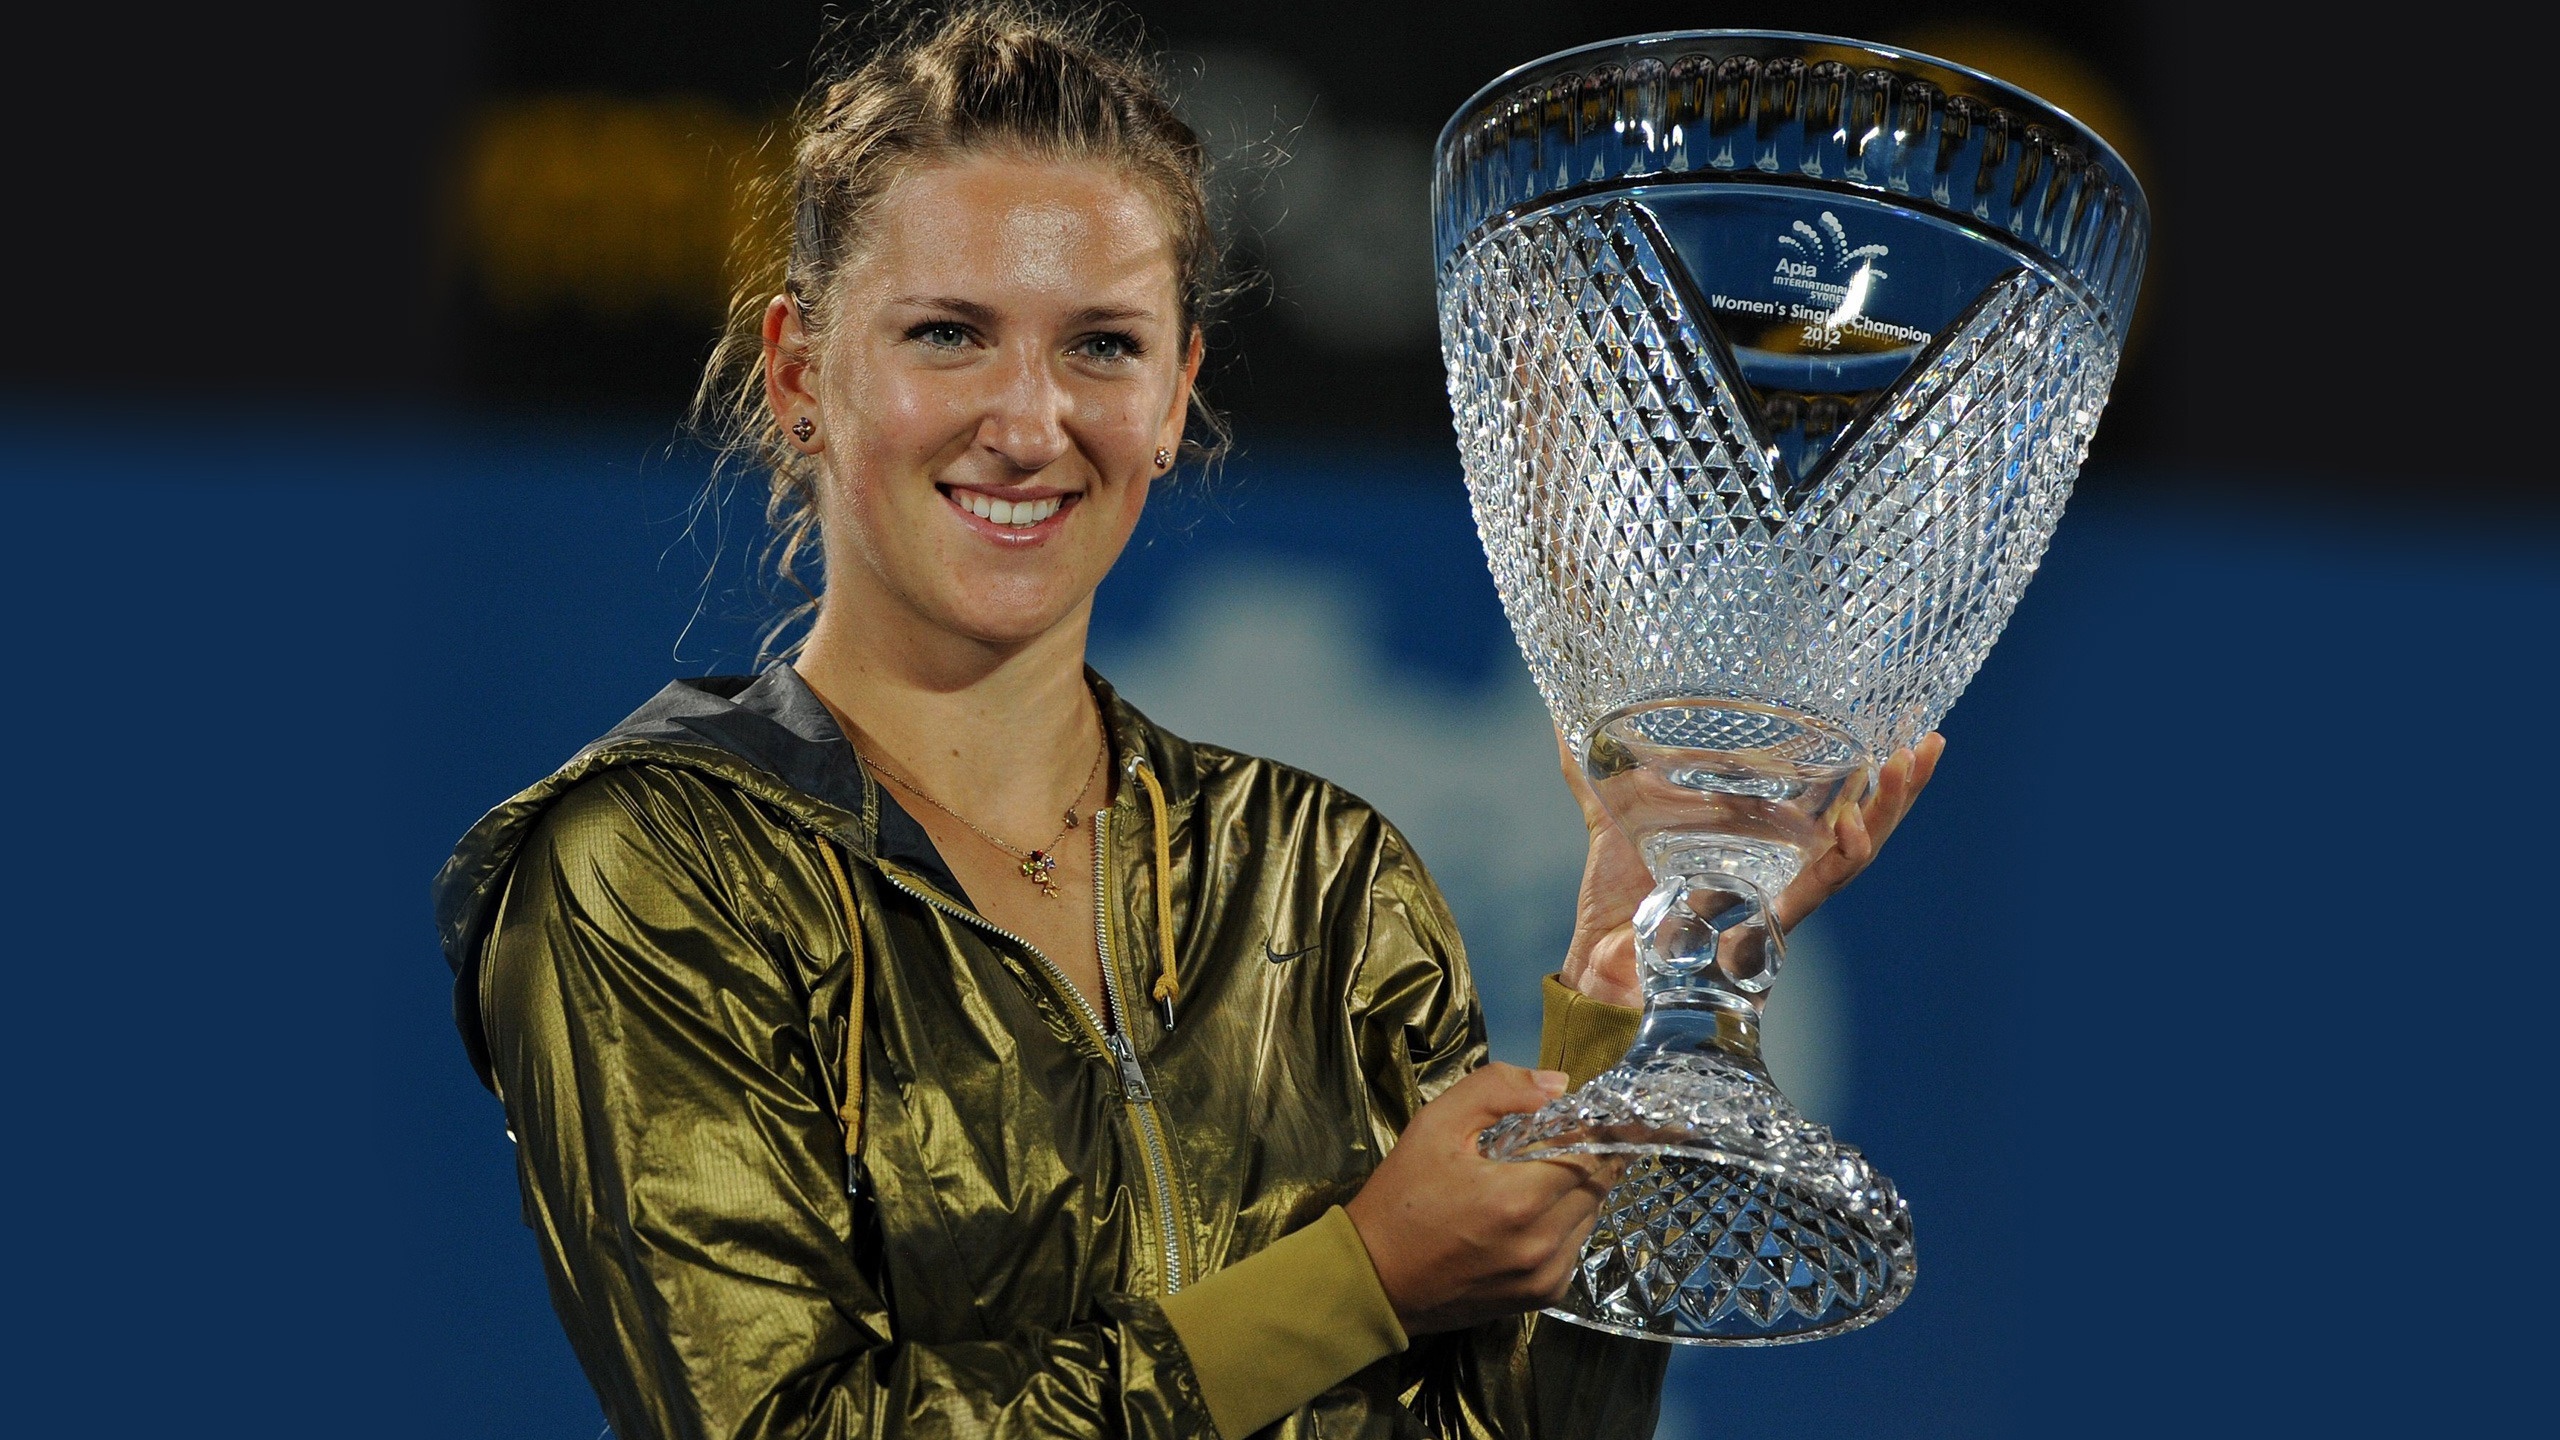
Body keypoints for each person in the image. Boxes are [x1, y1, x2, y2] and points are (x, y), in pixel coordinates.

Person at [432, 7, 1942, 1438]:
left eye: (1101, 346)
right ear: (800, 371)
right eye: (949, 333)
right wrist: (1349, 1282)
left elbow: (1509, 1426)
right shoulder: (648, 864)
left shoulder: (1324, 869)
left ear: (1176, 394)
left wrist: (1631, 994)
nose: (1030, 422)